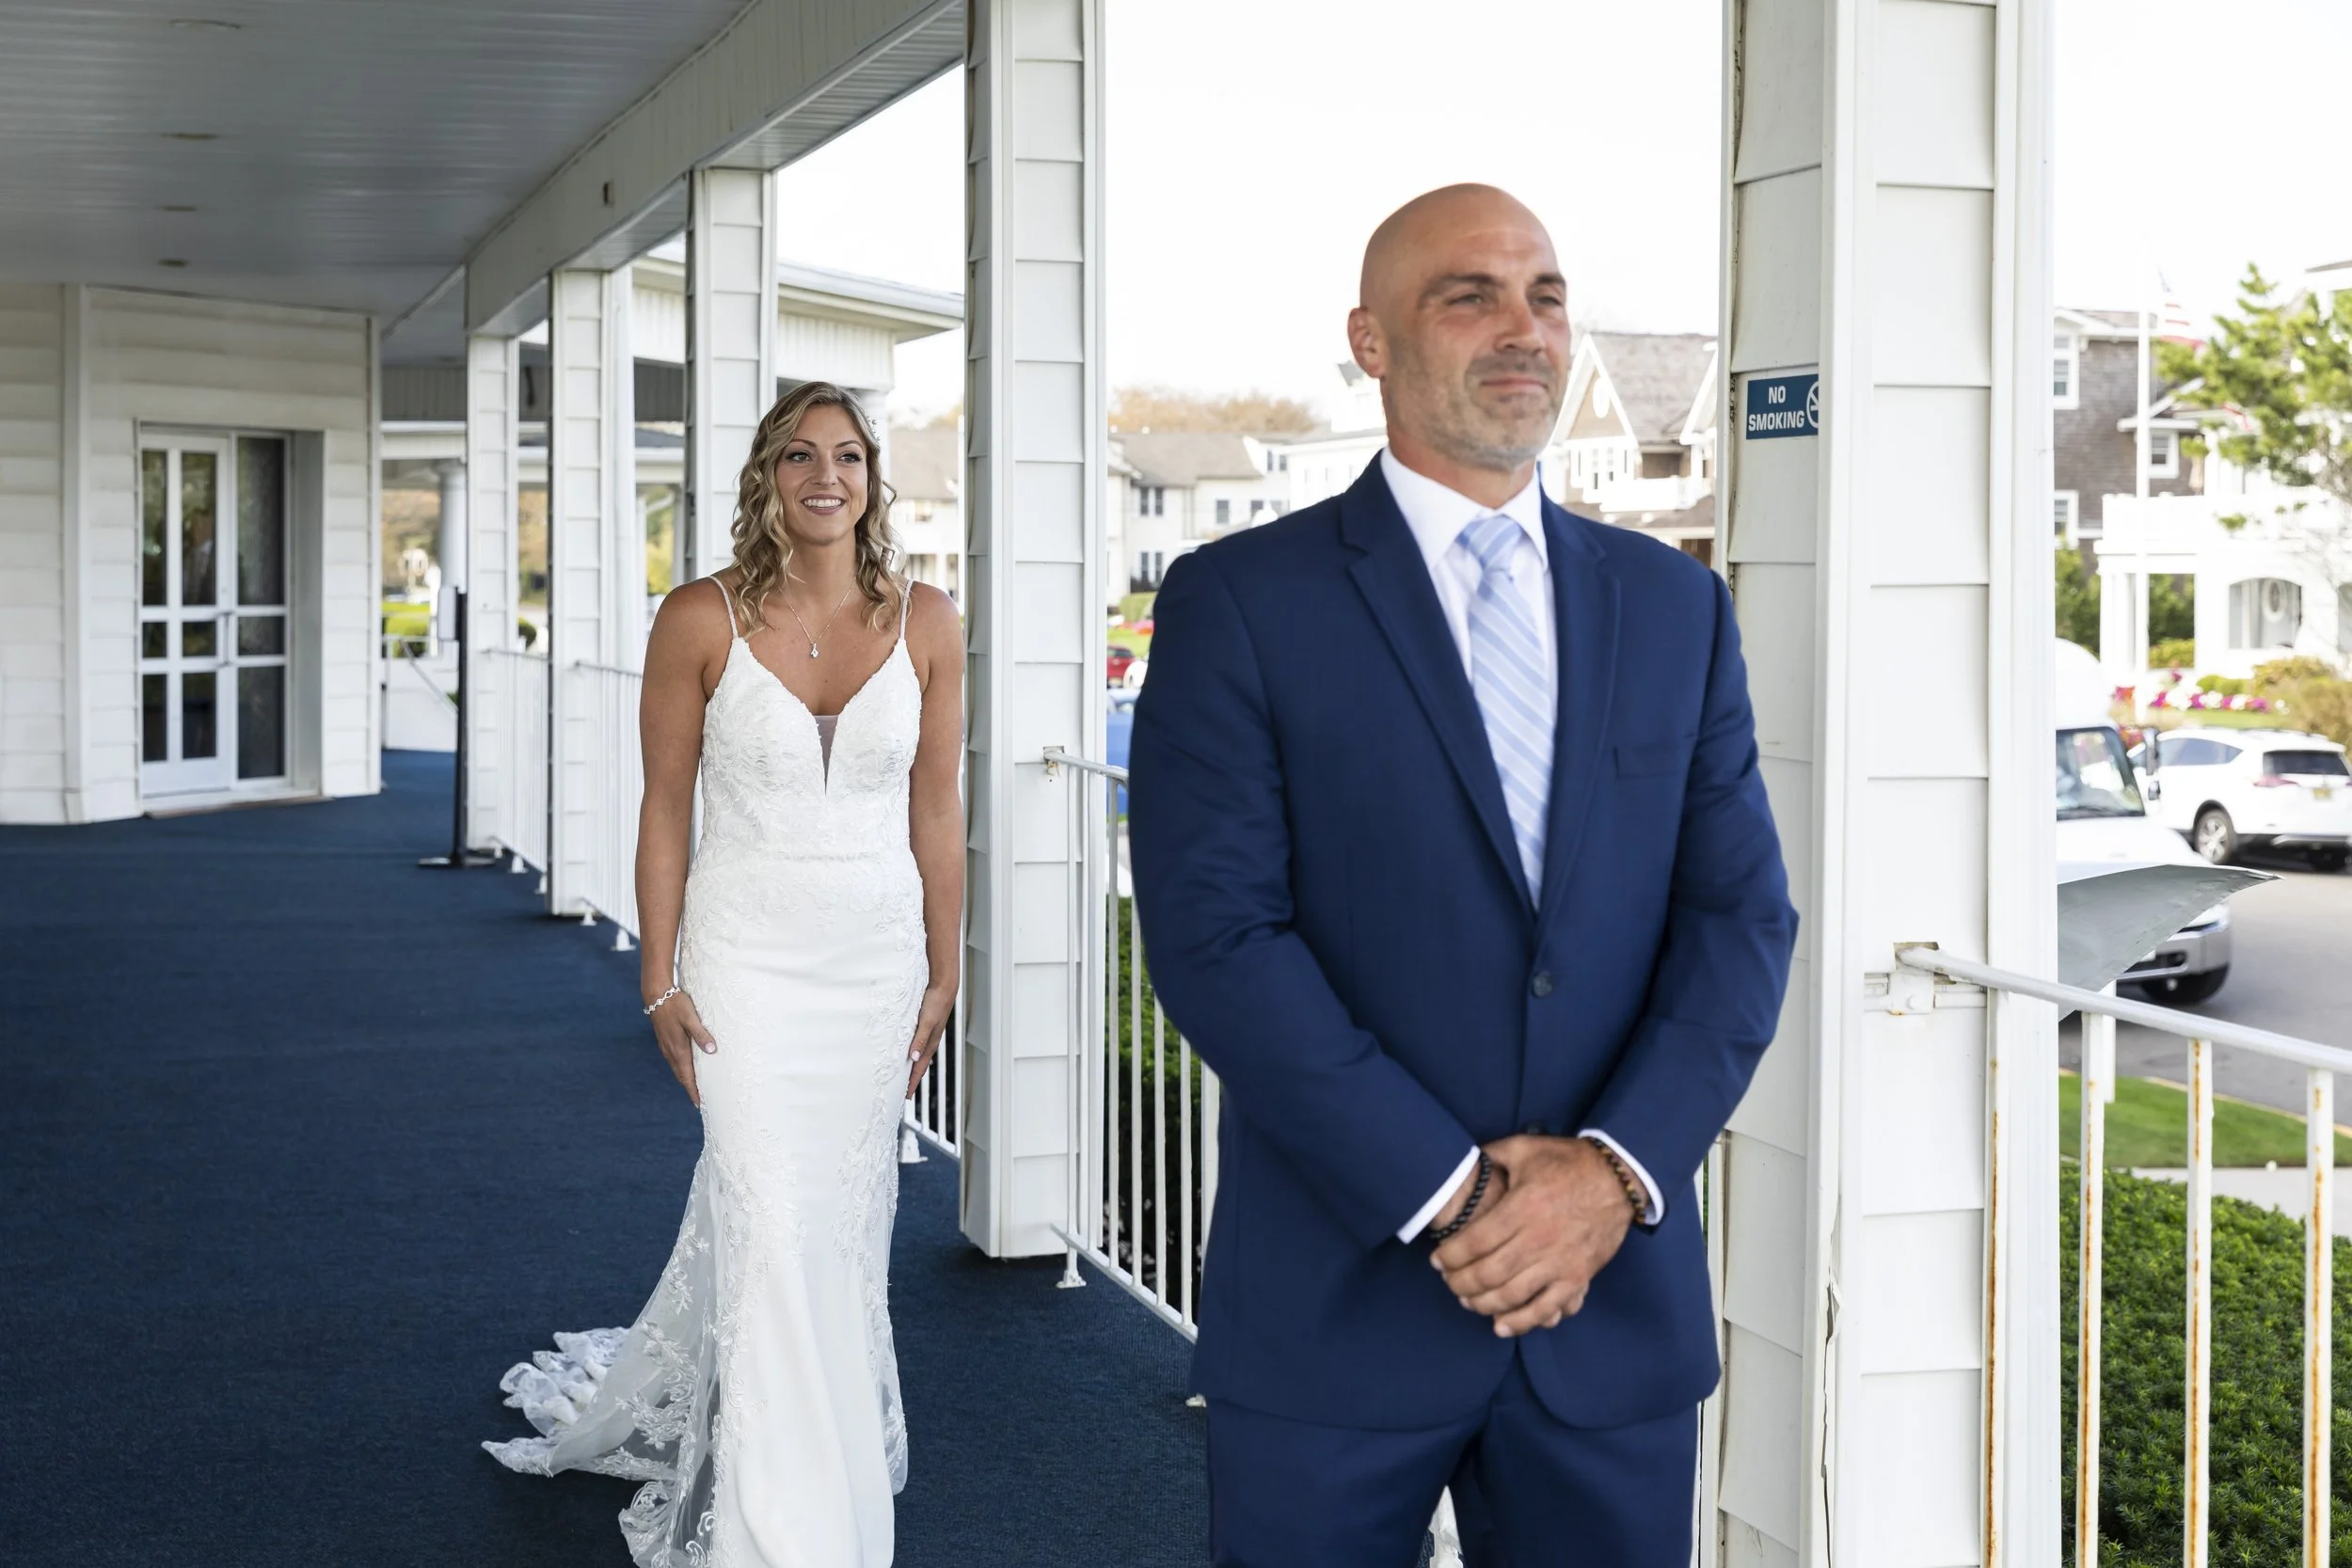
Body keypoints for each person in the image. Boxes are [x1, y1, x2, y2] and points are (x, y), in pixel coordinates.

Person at [1127, 185, 1798, 1567]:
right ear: (1371, 340)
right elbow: (1215, 934)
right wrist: (1463, 1195)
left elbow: (1738, 916)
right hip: (1339, 1299)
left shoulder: (1675, 604)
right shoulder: (1243, 597)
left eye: (1546, 295)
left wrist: (1610, 1175)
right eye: (1469, 295)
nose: (1524, 329)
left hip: (1608, 1308)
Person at [483, 380, 964, 1568]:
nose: (826, 477)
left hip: (871, 961)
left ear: (871, 478)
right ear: (766, 475)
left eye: (848, 456)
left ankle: (824, 1458)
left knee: (840, 1222)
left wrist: (947, 967)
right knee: (767, 1214)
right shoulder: (697, 617)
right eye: (801, 455)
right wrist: (657, 974)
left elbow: (937, 807)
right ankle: (780, 1522)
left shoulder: (932, 619)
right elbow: (663, 811)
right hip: (744, 958)